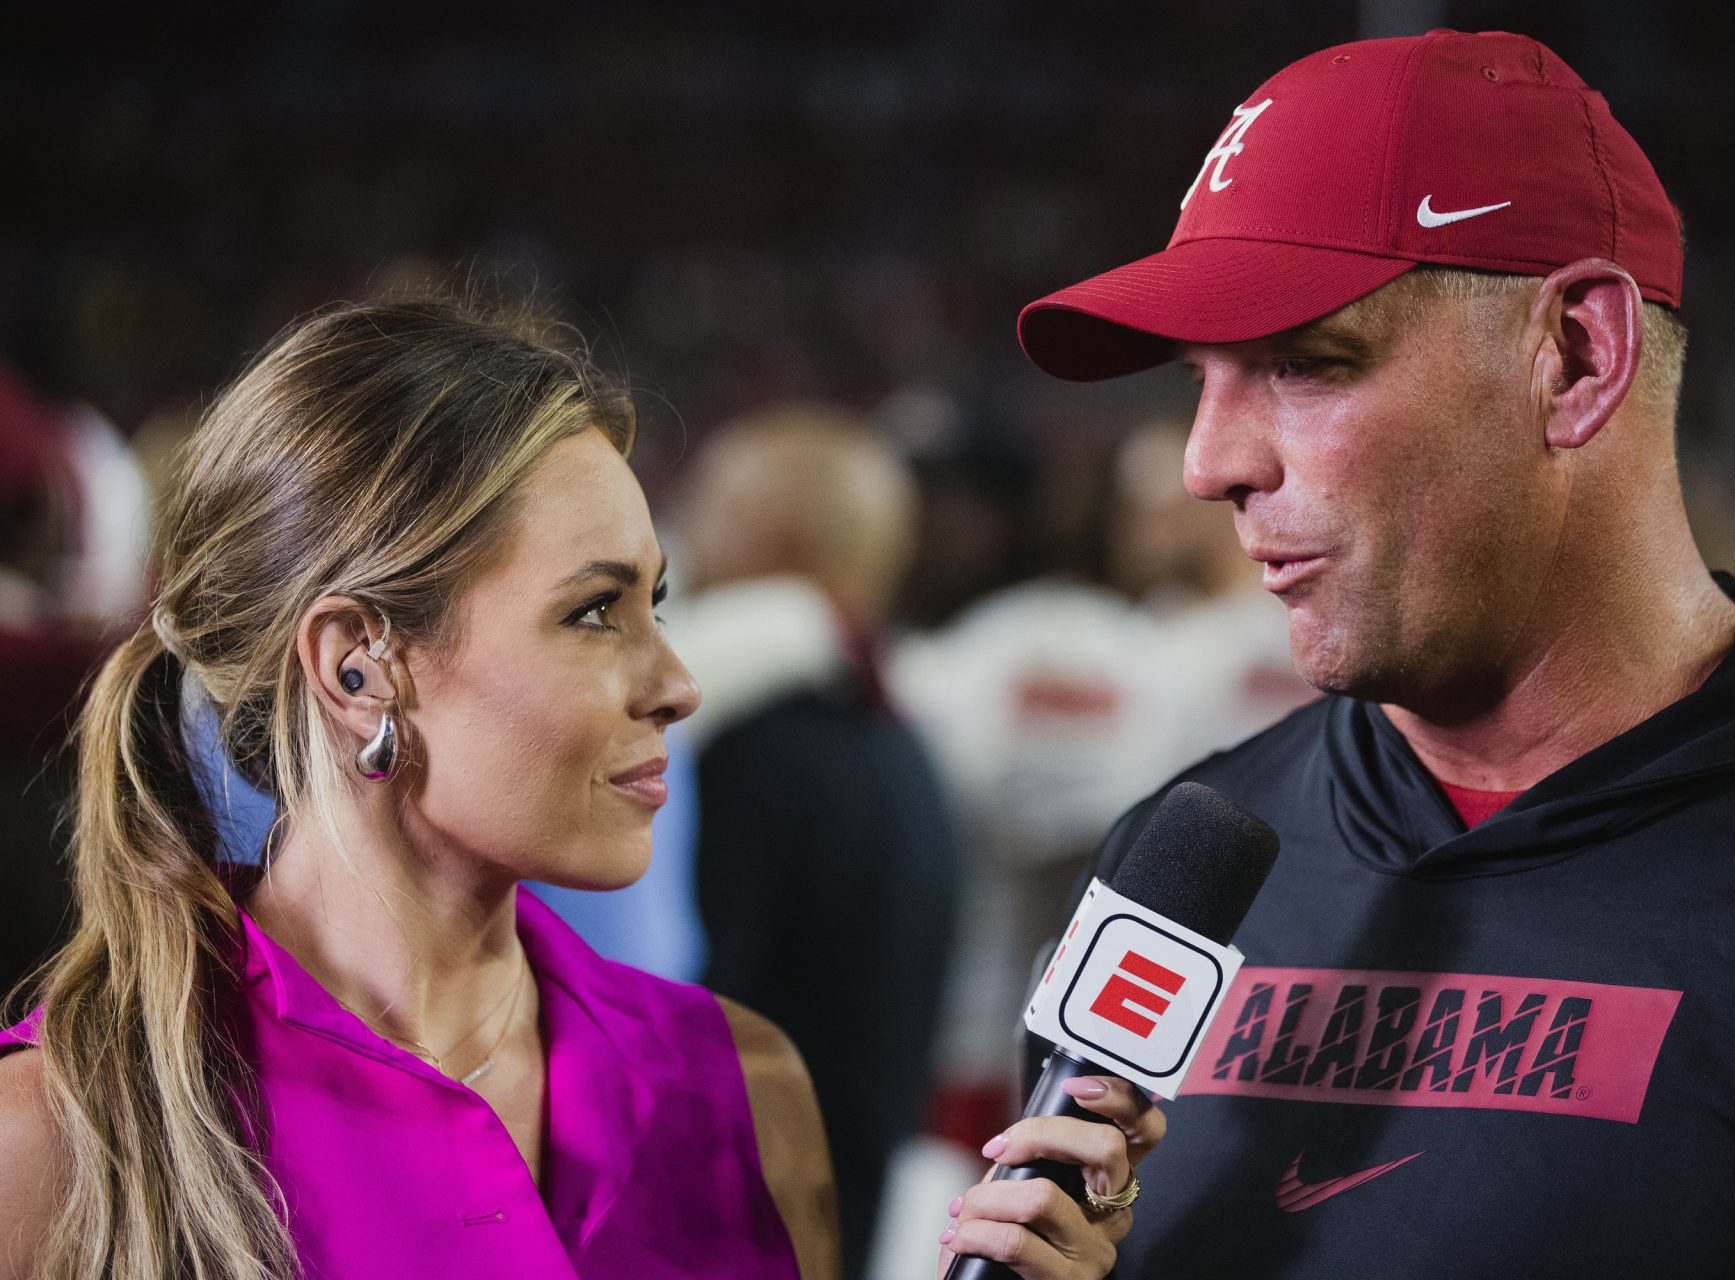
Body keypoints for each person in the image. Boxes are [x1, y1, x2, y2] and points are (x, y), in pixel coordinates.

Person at [1010, 29, 1735, 1279]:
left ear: (1579, 357)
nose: (1207, 464)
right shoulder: (1183, 869)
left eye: (1304, 363)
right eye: (1198, 382)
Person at [0, 298, 1144, 1280]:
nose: (678, 683)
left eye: (661, 601)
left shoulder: (744, 1087)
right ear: (358, 664)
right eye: (594, 611)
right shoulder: (58, 1134)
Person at [668, 404, 961, 1280]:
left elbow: (683, 1025)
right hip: (840, 1226)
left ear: (769, 528)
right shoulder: (899, 741)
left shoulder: (748, 751)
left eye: (707, 503)